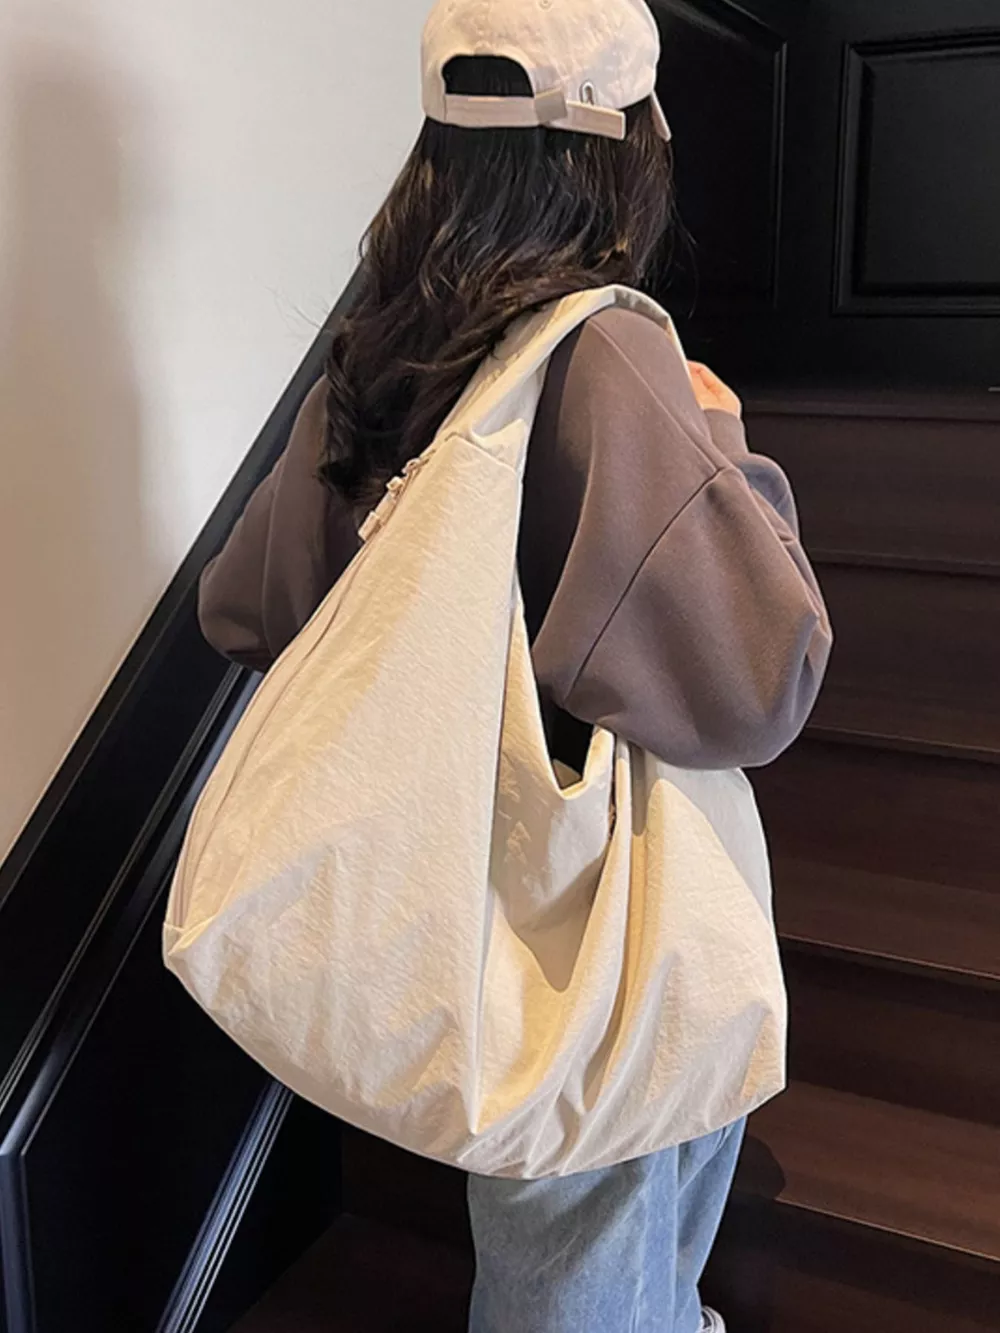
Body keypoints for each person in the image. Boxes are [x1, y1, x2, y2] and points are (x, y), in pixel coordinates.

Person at [197, 1, 832, 1328]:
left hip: (438, 887)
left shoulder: (379, 352)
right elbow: (760, 681)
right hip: (579, 912)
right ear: (625, 145)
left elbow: (244, 609)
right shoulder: (609, 353)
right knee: (593, 1241)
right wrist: (725, 446)